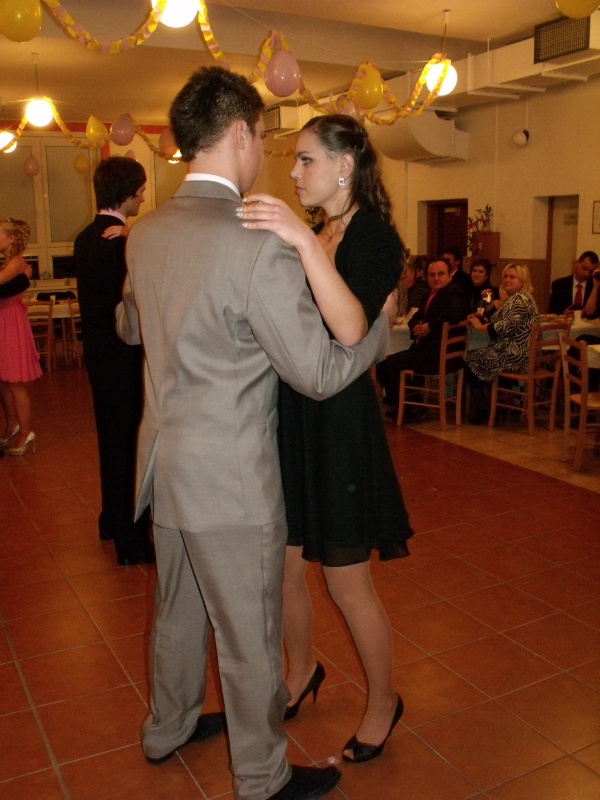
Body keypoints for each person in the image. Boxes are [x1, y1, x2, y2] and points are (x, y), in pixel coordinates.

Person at [115, 67, 392, 800]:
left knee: (175, 614)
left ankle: (167, 727)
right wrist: (378, 333)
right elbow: (319, 374)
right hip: (231, 480)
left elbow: (130, 326)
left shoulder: (146, 233)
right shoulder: (255, 243)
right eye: (265, 139)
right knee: (247, 635)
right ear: (240, 133)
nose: (268, 155)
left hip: (165, 464)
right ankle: (263, 777)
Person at [239, 113, 413, 764]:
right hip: (292, 415)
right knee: (284, 567)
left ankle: (383, 700)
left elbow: (349, 330)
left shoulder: (373, 238)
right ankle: (303, 669)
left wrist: (301, 242)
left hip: (339, 423)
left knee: (345, 581)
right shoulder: (319, 232)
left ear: (345, 165)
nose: (292, 172)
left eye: (305, 159)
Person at [73, 156, 153, 567]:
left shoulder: (85, 237)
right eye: (139, 191)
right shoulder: (121, 242)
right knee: (128, 444)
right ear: (125, 194)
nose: (142, 198)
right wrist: (135, 238)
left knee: (110, 437)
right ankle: (130, 538)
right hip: (123, 355)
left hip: (99, 354)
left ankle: (110, 519)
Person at [376, 258, 469, 417]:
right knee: (388, 363)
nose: (436, 278)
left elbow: (455, 313)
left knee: (386, 365)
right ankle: (410, 402)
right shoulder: (429, 295)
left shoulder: (454, 293)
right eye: (432, 274)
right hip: (427, 351)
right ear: (427, 277)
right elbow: (415, 317)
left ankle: (407, 405)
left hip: (437, 355)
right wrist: (415, 327)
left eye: (440, 274)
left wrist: (430, 326)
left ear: (449, 276)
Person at [465, 262, 540, 423]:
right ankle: (498, 406)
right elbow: (497, 317)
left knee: (470, 360)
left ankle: (487, 410)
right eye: (505, 276)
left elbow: (502, 327)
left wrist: (479, 326)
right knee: (478, 358)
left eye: (512, 277)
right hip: (517, 352)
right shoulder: (515, 297)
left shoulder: (519, 300)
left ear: (523, 281)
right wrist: (484, 316)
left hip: (517, 356)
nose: (507, 280)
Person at [0, 218, 41, 456]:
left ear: (11, 238)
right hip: (3, 319)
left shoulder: (16, 261)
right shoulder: (7, 262)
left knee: (14, 381)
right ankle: (12, 426)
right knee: (4, 380)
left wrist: (24, 277)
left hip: (11, 321)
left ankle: (26, 432)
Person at [548, 251, 598, 315]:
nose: (586, 274)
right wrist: (563, 314)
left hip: (587, 321)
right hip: (566, 320)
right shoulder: (559, 285)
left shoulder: (595, 286)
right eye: (584, 268)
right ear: (577, 263)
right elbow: (552, 312)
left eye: (591, 271)